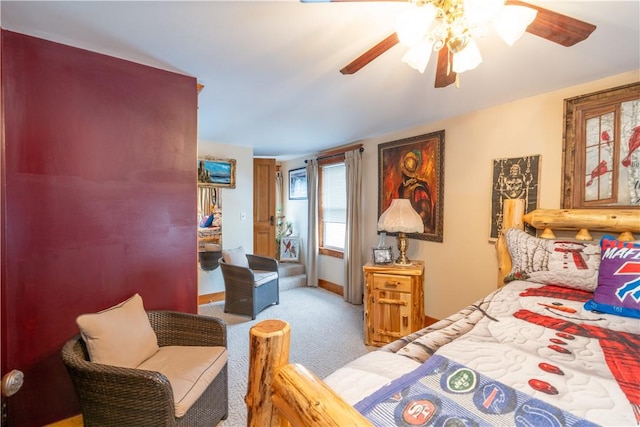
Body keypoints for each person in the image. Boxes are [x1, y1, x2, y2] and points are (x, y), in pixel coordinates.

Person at [397, 150, 434, 232]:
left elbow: (425, 212)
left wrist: (412, 224)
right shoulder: (401, 187)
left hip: (418, 229)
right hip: (405, 227)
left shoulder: (419, 188)